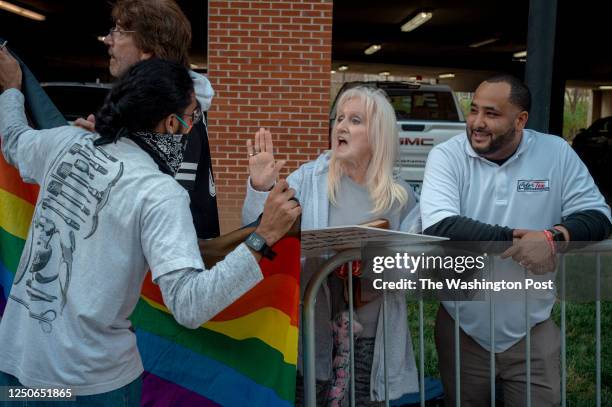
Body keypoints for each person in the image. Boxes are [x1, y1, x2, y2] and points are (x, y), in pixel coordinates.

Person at [0, 52, 300, 404]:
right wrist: (263, 237)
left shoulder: (65, 142)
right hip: (91, 387)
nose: (192, 128)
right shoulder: (159, 193)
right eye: (191, 118)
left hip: (18, 371)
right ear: (170, 124)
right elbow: (190, 305)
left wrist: (11, 89)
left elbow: (14, 139)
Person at [420, 74, 612, 406]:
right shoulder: (447, 155)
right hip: (462, 323)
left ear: (520, 120)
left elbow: (598, 215)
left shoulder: (555, 154)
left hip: (532, 324)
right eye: (474, 110)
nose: (477, 123)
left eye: (491, 114)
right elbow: (440, 223)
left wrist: (553, 238)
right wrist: (520, 240)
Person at [243, 86, 421, 405]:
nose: (341, 126)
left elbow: (412, 265)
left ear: (378, 134)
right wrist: (261, 186)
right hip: (314, 331)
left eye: (355, 120)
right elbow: (258, 228)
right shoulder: (309, 179)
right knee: (307, 398)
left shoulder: (400, 196)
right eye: (339, 118)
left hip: (371, 334)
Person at [75, 0, 220, 239]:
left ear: (147, 49)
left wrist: (104, 151)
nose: (108, 40)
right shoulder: (160, 107)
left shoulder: (173, 113)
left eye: (119, 32)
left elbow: (148, 208)